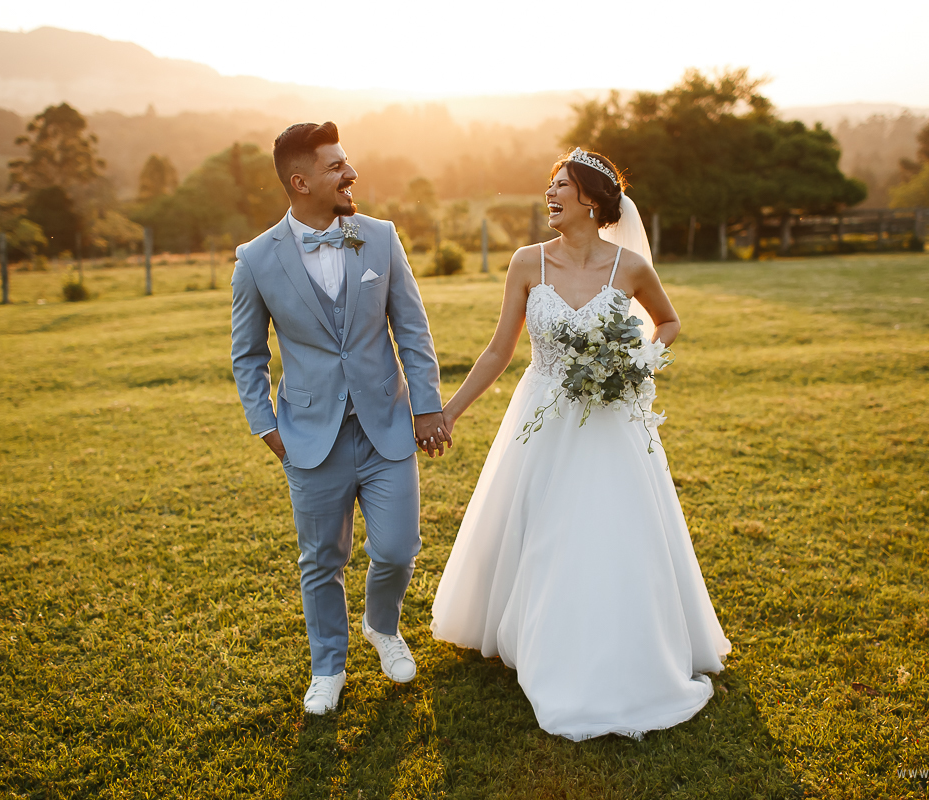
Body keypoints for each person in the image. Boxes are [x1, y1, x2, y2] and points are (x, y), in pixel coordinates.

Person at [430, 148, 731, 740]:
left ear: (590, 200)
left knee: (609, 532)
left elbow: (668, 323)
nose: (550, 194)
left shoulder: (630, 268)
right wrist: (450, 411)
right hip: (541, 419)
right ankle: (540, 635)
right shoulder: (526, 263)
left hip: (610, 422)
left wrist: (637, 363)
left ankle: (612, 648)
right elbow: (499, 350)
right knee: (543, 530)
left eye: (560, 185)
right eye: (550, 184)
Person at [230, 122, 451, 715]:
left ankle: (382, 626)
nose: (350, 174)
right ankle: (328, 665)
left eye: (347, 163)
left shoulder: (377, 238)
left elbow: (411, 326)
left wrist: (427, 406)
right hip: (308, 437)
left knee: (399, 548)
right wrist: (266, 425)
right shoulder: (255, 260)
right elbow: (248, 353)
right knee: (321, 561)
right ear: (300, 182)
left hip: (386, 426)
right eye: (336, 167)